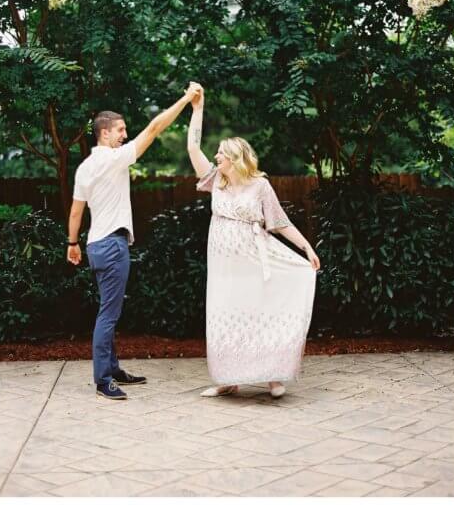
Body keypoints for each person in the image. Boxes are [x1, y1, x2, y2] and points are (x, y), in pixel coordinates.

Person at [67, 83, 203, 400]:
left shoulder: (84, 167)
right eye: (120, 130)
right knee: (109, 315)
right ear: (104, 134)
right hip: (112, 247)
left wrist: (72, 244)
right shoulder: (112, 159)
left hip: (94, 246)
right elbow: (154, 128)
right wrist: (186, 98)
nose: (124, 135)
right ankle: (103, 381)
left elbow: (76, 212)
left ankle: (112, 369)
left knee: (107, 309)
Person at [186, 87, 320, 399]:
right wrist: (198, 108)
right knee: (225, 314)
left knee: (260, 311)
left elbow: (280, 221)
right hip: (223, 266)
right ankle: (227, 379)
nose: (216, 155)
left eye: (221, 152)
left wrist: (306, 248)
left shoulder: (260, 186)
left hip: (253, 259)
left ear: (234, 158)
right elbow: (193, 149)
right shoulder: (215, 181)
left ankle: (273, 376)